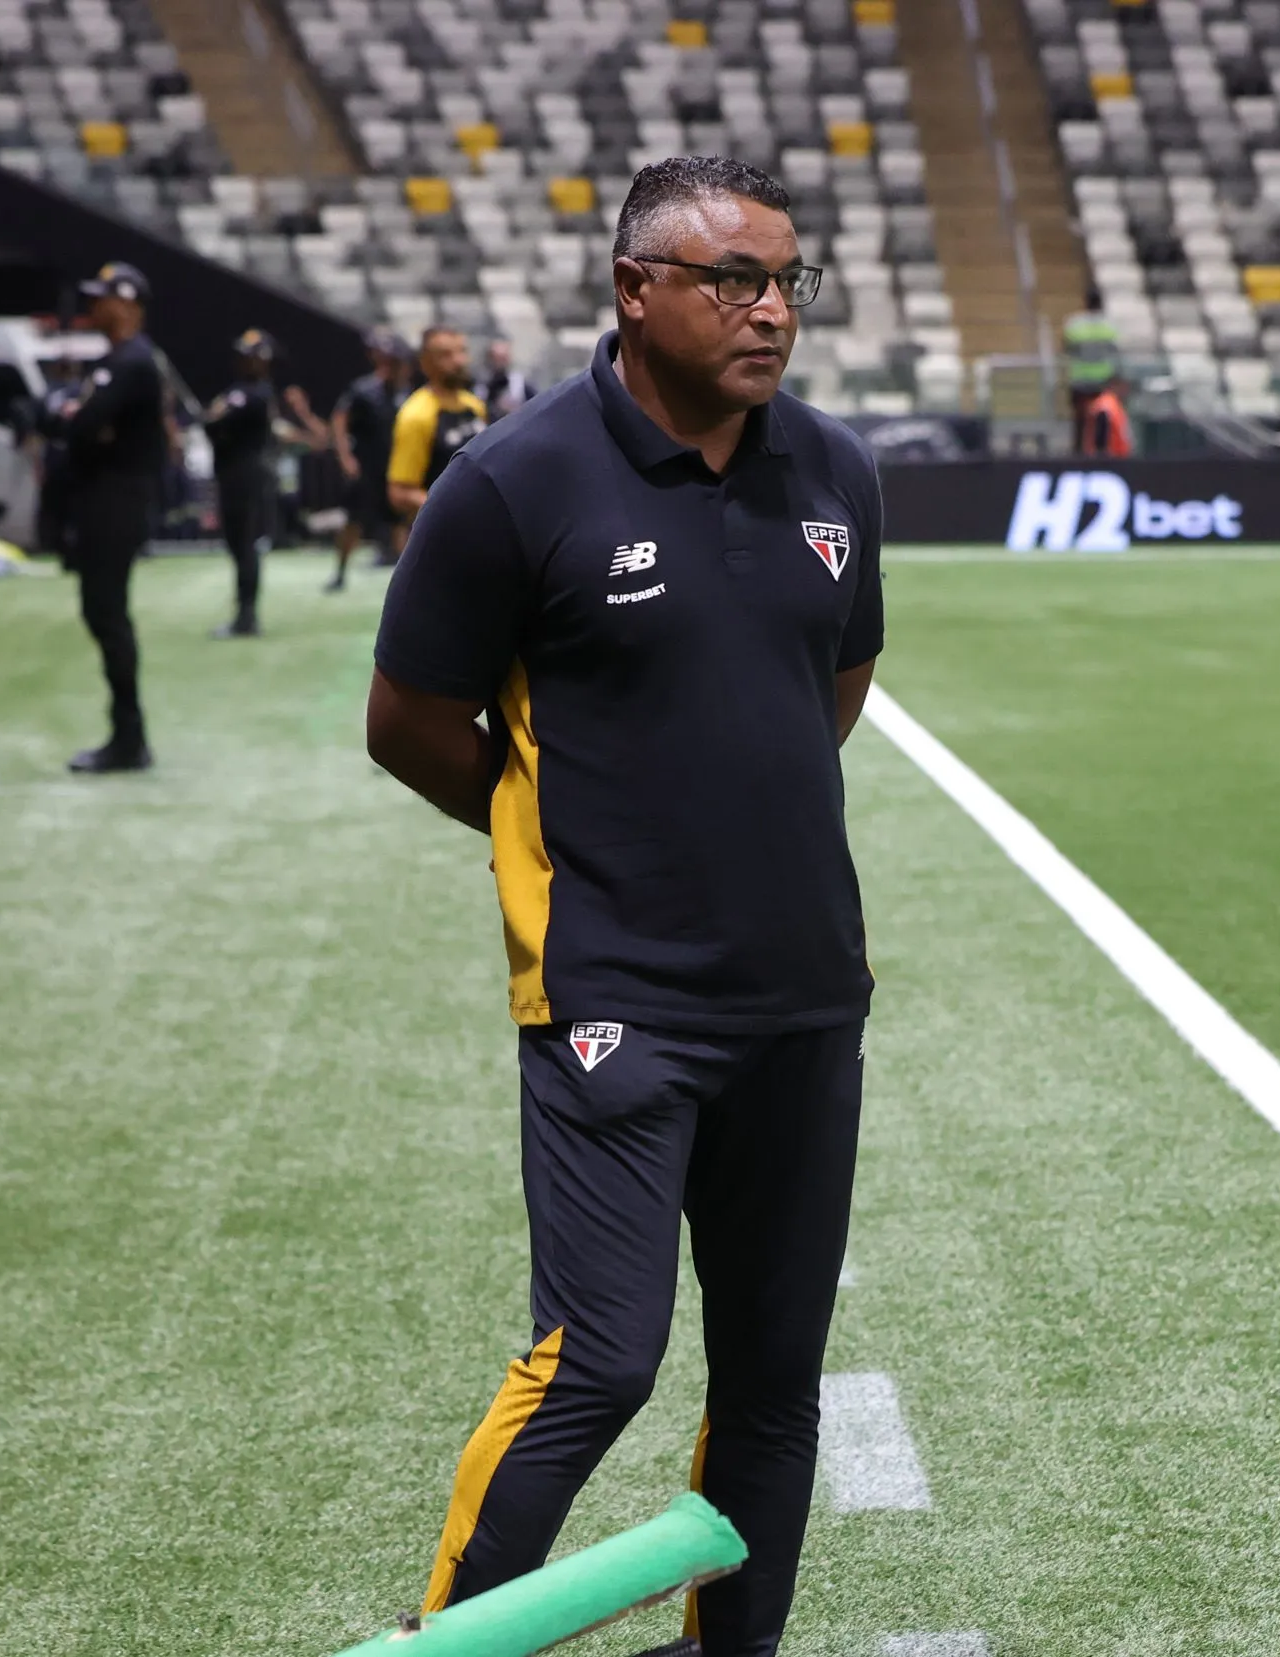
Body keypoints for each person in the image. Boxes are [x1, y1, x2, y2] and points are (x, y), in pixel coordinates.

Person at [366, 155, 879, 1657]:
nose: (769, 310)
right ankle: (449, 1645)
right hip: (612, 1000)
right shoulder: (513, 482)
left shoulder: (833, 470)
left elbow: (825, 691)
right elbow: (408, 720)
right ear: (633, 288)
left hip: (803, 998)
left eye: (788, 280)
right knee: (598, 1358)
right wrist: (574, 843)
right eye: (732, 280)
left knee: (775, 1375)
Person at [47, 262, 166, 774]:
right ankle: (127, 734)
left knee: (108, 614)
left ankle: (129, 738)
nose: (93, 307)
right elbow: (76, 423)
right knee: (102, 614)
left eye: (102, 298)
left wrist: (76, 420)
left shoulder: (132, 362)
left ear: (126, 303)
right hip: (106, 498)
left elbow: (83, 424)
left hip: (115, 501)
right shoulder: (117, 361)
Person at [203, 328, 309, 638]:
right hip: (238, 472)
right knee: (239, 544)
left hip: (244, 474)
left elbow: (213, 423)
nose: (243, 362)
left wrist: (215, 422)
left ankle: (246, 616)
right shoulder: (248, 392)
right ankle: (244, 612)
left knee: (244, 543)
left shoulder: (252, 393)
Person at [329, 329, 410, 590]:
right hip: (366, 468)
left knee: (400, 524)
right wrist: (345, 458)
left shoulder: (405, 394)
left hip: (395, 468)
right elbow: (339, 420)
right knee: (353, 522)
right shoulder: (363, 389)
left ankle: (408, 578)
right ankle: (339, 573)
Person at [384, 326, 487, 527]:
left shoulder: (474, 406)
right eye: (445, 355)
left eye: (461, 352)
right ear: (425, 363)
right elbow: (399, 493)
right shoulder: (416, 415)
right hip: (438, 537)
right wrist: (456, 511)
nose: (458, 361)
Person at [1075, 372, 1132, 456]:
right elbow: (1101, 433)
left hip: (1117, 457)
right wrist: (1102, 455)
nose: (1125, 391)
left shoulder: (1114, 404)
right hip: (1108, 458)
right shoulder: (1106, 404)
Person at [479, 336, 535, 420]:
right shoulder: (481, 385)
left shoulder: (520, 384)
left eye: (503, 358)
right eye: (496, 358)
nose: (499, 363)